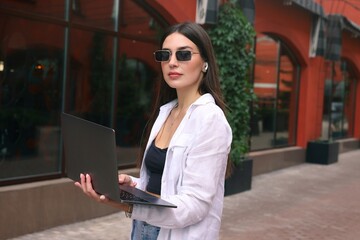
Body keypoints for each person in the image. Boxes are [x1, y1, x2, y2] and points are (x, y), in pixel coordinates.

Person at [75, 21, 232, 240]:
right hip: (144, 229)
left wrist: (128, 206)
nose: (172, 63)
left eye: (183, 55)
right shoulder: (166, 112)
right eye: (165, 55)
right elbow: (165, 183)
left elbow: (195, 205)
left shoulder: (210, 120)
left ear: (205, 62)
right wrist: (133, 185)